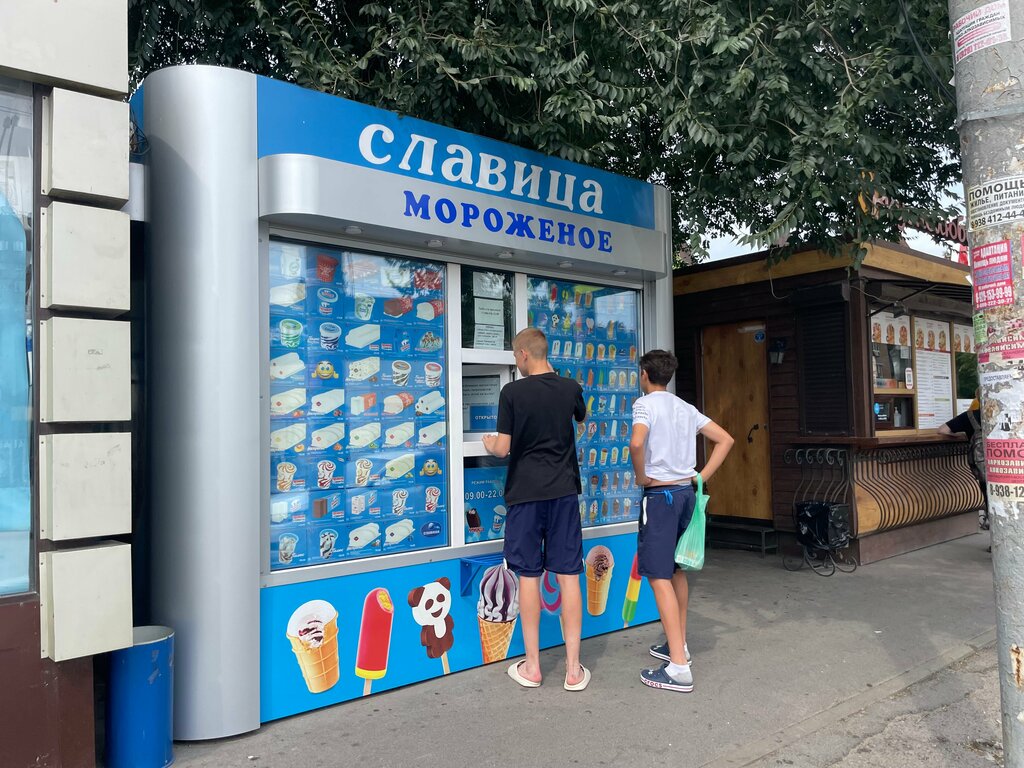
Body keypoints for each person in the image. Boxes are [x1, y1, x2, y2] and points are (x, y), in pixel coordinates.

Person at [482, 327, 590, 691]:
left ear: (524, 354)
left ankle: (532, 667)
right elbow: (581, 418)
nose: (516, 363)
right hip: (563, 492)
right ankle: (573, 671)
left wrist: (489, 443)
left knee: (529, 576)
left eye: (516, 356)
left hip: (525, 494)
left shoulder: (512, 393)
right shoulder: (570, 387)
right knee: (569, 575)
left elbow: (502, 449)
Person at [628, 349, 733, 692]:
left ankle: (678, 668)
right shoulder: (685, 408)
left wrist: (641, 476)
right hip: (686, 493)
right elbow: (725, 439)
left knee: (657, 576)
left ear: (645, 375)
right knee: (676, 571)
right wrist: (700, 477)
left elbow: (636, 443)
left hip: (660, 498)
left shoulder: (644, 405)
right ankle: (679, 645)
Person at [938, 391, 989, 534]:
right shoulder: (1009, 413)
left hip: (983, 467)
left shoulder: (970, 416)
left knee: (990, 499)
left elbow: (942, 430)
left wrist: (961, 435)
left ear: (977, 398)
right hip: (1010, 466)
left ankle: (995, 539)